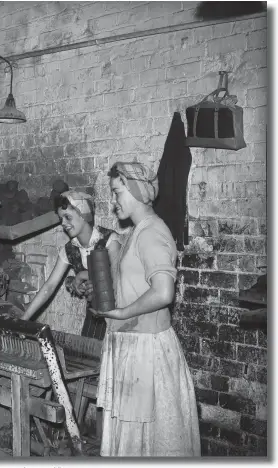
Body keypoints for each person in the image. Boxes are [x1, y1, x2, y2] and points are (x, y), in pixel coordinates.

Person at [90, 161, 200, 457]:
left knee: (151, 446)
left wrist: (124, 313)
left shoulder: (152, 232)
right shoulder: (138, 232)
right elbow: (135, 285)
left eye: (117, 193)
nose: (113, 203)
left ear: (137, 190)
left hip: (147, 350)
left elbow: (163, 292)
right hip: (134, 345)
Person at [21, 190, 121, 342]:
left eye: (68, 217)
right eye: (61, 218)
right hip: (95, 316)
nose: (63, 223)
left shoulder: (110, 240)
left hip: (119, 312)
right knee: (89, 358)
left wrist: (83, 275)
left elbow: (118, 277)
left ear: (84, 215)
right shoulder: (69, 249)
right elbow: (49, 286)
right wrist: (23, 320)